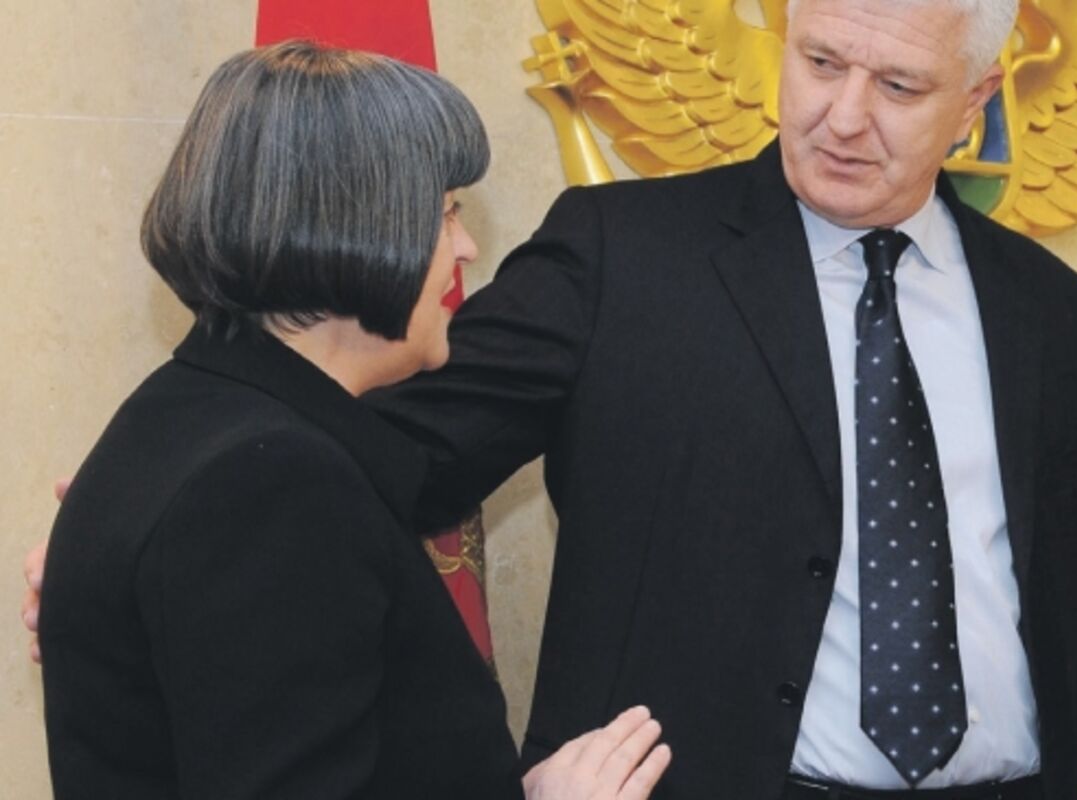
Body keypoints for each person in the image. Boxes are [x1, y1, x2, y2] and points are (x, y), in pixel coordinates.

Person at [25, 0, 1077, 797]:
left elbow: (1054, 608)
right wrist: (153, 550)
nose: (844, 115)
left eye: (900, 87)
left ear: (974, 101)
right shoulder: (621, 255)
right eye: (820, 61)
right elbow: (359, 441)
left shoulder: (1047, 312)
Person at [31, 40, 669, 800]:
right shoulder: (275, 483)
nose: (466, 248)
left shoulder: (190, 411)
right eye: (446, 215)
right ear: (362, 230)